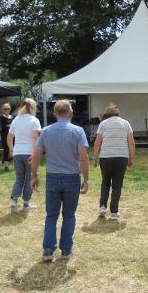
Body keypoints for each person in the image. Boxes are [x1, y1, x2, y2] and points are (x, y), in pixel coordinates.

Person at [30, 100, 89, 262]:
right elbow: (83, 157)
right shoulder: (78, 131)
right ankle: (66, 250)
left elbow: (36, 156)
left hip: (53, 177)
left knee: (51, 215)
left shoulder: (46, 131)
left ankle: (48, 251)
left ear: (55, 114)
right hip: (71, 177)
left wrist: (34, 175)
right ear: (70, 114)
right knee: (69, 215)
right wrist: (86, 179)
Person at [92, 104, 135, 220]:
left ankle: (102, 207)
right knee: (117, 185)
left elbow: (97, 143)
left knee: (105, 182)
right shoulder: (125, 123)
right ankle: (114, 212)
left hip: (105, 157)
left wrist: (95, 158)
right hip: (121, 157)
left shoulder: (103, 124)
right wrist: (131, 158)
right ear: (117, 113)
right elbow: (131, 142)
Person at [7, 98, 41, 213]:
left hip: (17, 152)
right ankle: (26, 204)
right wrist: (34, 153)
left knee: (19, 178)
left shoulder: (16, 120)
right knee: (29, 178)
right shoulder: (34, 120)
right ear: (32, 108)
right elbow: (35, 138)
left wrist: (11, 150)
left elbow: (9, 138)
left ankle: (13, 200)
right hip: (29, 153)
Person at [0, 103, 13, 170]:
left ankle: (14, 163)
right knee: (6, 150)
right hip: (5, 136)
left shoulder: (12, 117)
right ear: (3, 110)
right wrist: (11, 126)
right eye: (5, 109)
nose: (6, 110)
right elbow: (4, 127)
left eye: (8, 109)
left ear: (10, 109)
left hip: (12, 136)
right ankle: (5, 166)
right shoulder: (2, 117)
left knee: (13, 149)